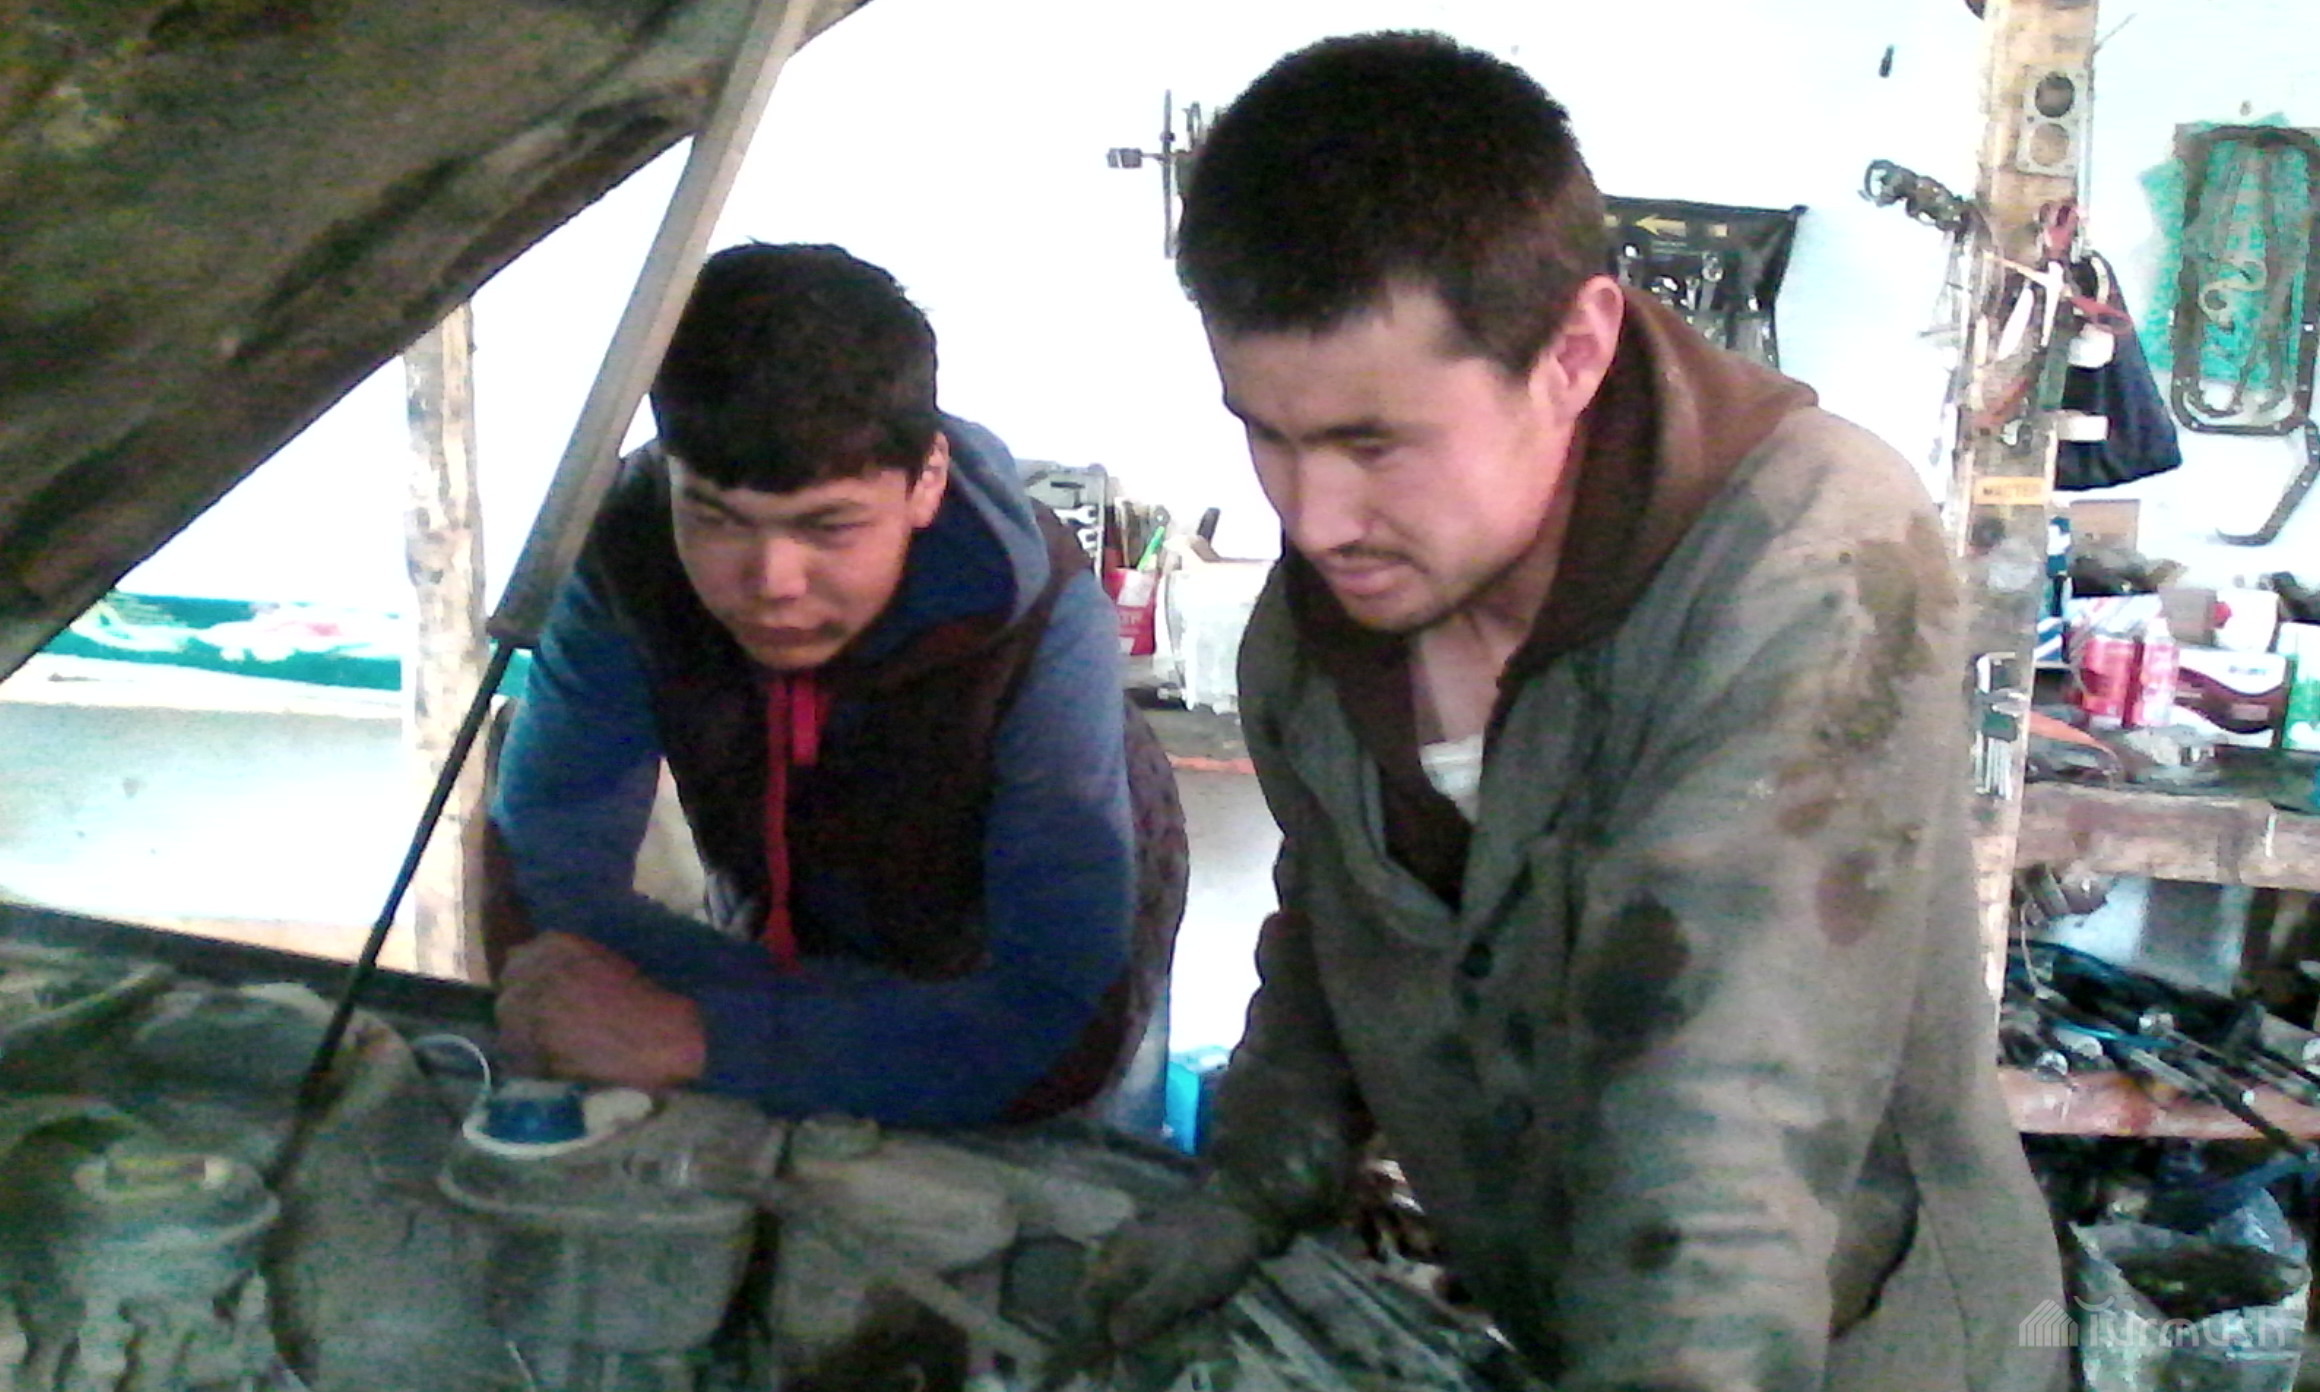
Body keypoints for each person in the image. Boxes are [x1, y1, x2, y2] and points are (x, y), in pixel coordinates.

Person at [1085, 32, 2063, 1391]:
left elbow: (1730, 1116)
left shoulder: (1808, 566)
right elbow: (1339, 936)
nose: (1313, 517)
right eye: (1267, 433)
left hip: (1859, 1351)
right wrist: (1252, 1184)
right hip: (1563, 1322)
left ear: (1575, 350)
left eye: (1375, 443)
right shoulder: (1309, 645)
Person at [488, 242, 1183, 1130]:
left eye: (829, 526)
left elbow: (1052, 1025)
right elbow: (547, 897)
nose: (772, 583)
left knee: (1056, 1147)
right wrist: (757, 1030)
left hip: (1028, 937)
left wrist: (699, 1035)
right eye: (717, 519)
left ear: (926, 481)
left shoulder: (1042, 621)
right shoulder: (629, 559)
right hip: (781, 898)